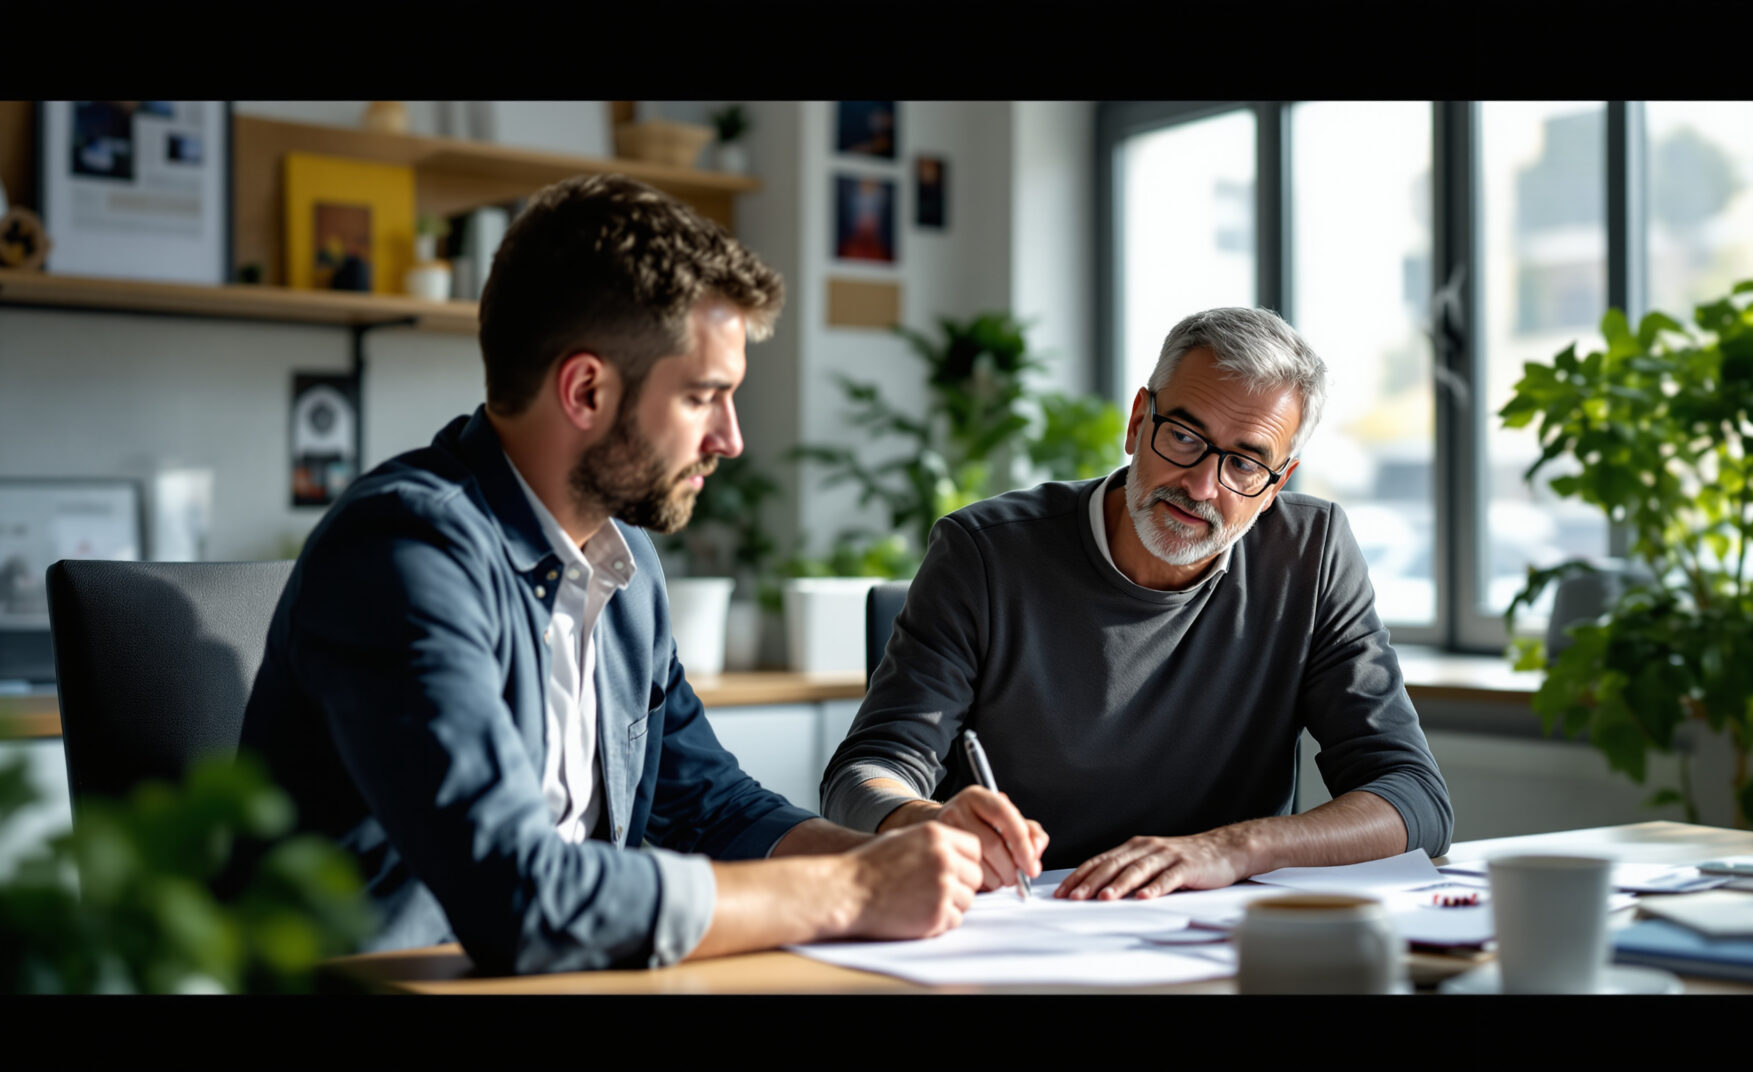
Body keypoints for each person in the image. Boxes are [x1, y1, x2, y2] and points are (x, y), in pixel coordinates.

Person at [240, 174, 982, 975]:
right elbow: (519, 897)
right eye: (705, 397)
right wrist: (849, 891)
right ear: (586, 390)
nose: (730, 439)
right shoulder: (404, 553)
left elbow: (705, 804)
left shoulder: (622, 566)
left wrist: (902, 853)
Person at [820, 306, 1452, 901]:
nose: (1202, 485)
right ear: (1137, 420)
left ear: (1277, 483)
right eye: (1183, 436)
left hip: (1213, 937)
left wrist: (1236, 849)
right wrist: (925, 820)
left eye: (1245, 464)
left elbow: (1414, 798)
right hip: (1024, 921)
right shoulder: (984, 554)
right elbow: (865, 774)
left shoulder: (1311, 555)